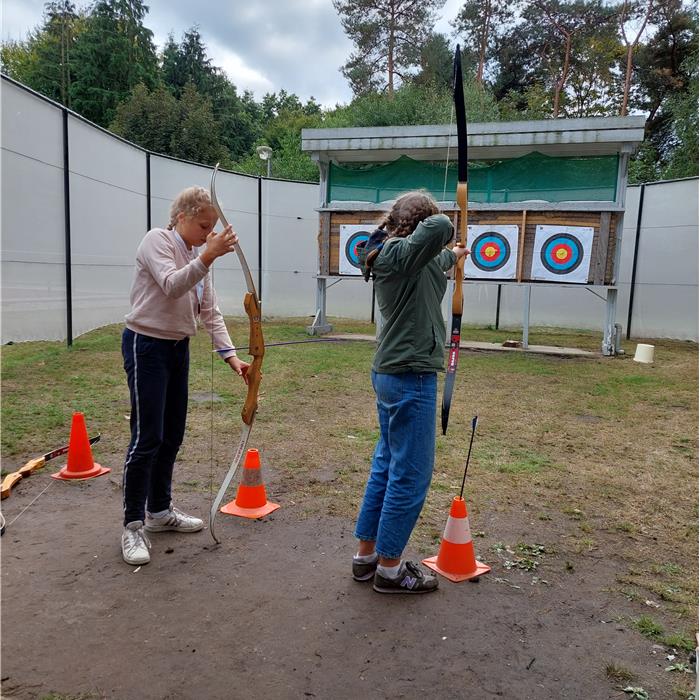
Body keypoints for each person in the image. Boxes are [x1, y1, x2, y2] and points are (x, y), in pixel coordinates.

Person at [120, 186, 249, 566]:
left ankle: (159, 512)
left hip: (177, 349)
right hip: (146, 346)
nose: (208, 232)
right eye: (203, 225)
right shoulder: (156, 241)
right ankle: (131, 525)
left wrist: (232, 358)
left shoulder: (197, 256)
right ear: (181, 218)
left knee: (172, 434)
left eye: (212, 226)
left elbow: (209, 312)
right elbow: (172, 284)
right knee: (147, 437)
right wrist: (208, 255)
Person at [353, 191, 469, 594]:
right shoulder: (398, 253)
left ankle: (366, 556)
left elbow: (438, 254)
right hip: (410, 376)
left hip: (392, 373)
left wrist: (455, 254)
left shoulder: (403, 257)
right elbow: (440, 228)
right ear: (418, 227)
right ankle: (390, 569)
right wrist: (436, 220)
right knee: (410, 473)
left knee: (386, 466)